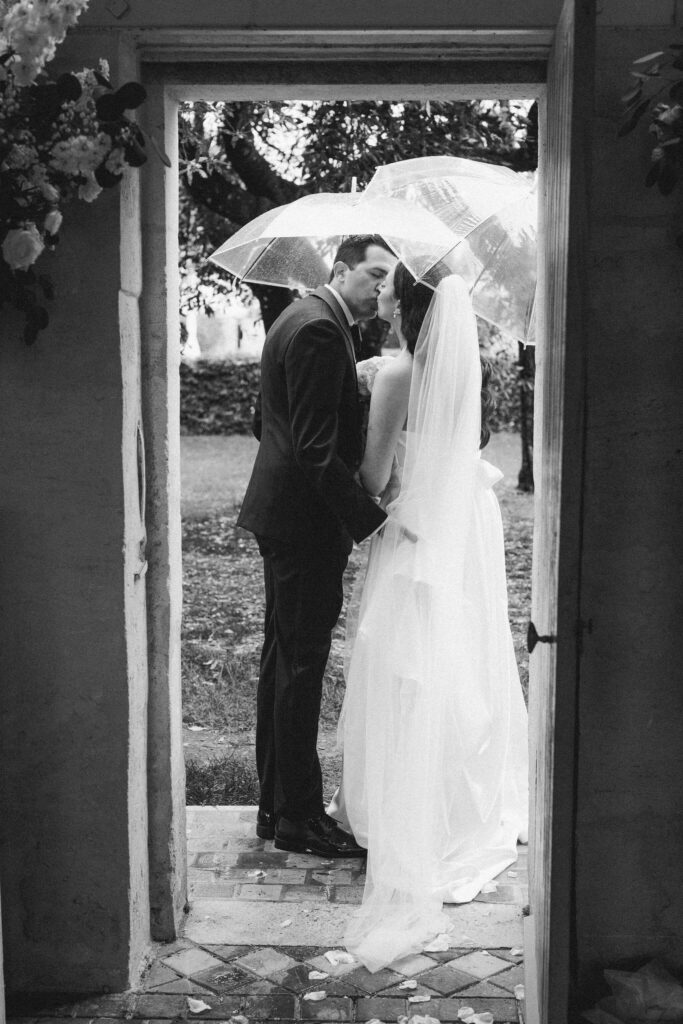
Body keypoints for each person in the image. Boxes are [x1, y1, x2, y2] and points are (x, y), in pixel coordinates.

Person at [329, 263, 529, 968]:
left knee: (399, 658)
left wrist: (364, 408)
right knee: (452, 655)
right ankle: (455, 803)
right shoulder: (439, 365)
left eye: (386, 283)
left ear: (403, 303)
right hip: (454, 520)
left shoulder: (393, 375)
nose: (376, 288)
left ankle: (405, 812)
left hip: (411, 529)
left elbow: (374, 479)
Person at [237, 234, 397, 859]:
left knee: (284, 663)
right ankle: (300, 818)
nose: (382, 287)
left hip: (287, 518)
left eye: (389, 278)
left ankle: (277, 808)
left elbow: (266, 423)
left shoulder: (304, 319)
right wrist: (373, 521)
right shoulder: (320, 331)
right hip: (304, 527)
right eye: (373, 274)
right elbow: (313, 449)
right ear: (340, 270)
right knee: (300, 668)